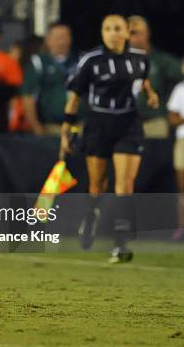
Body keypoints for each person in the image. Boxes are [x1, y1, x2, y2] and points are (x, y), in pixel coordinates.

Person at [60, 14, 159, 263]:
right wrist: (67, 131)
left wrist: (151, 94)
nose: (112, 33)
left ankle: (121, 243)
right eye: (107, 28)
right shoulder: (91, 61)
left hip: (128, 123)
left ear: (127, 32)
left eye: (117, 28)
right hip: (98, 124)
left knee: (124, 186)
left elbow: (143, 80)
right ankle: (91, 215)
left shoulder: (140, 59)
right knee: (97, 185)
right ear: (102, 33)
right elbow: (74, 97)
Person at [128, 15, 183, 139]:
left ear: (147, 33)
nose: (134, 37)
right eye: (131, 33)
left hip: (154, 122)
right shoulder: (117, 62)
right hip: (125, 123)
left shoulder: (162, 61)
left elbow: (181, 79)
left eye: (137, 32)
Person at [22, 22, 78, 136]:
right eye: (58, 37)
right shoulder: (38, 63)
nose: (62, 41)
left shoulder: (81, 61)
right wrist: (35, 126)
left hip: (79, 127)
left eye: (65, 37)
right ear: (48, 40)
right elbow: (28, 96)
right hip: (51, 128)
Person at [166, 80, 184, 241]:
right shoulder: (180, 89)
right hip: (183, 141)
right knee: (182, 188)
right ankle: (181, 228)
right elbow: (172, 119)